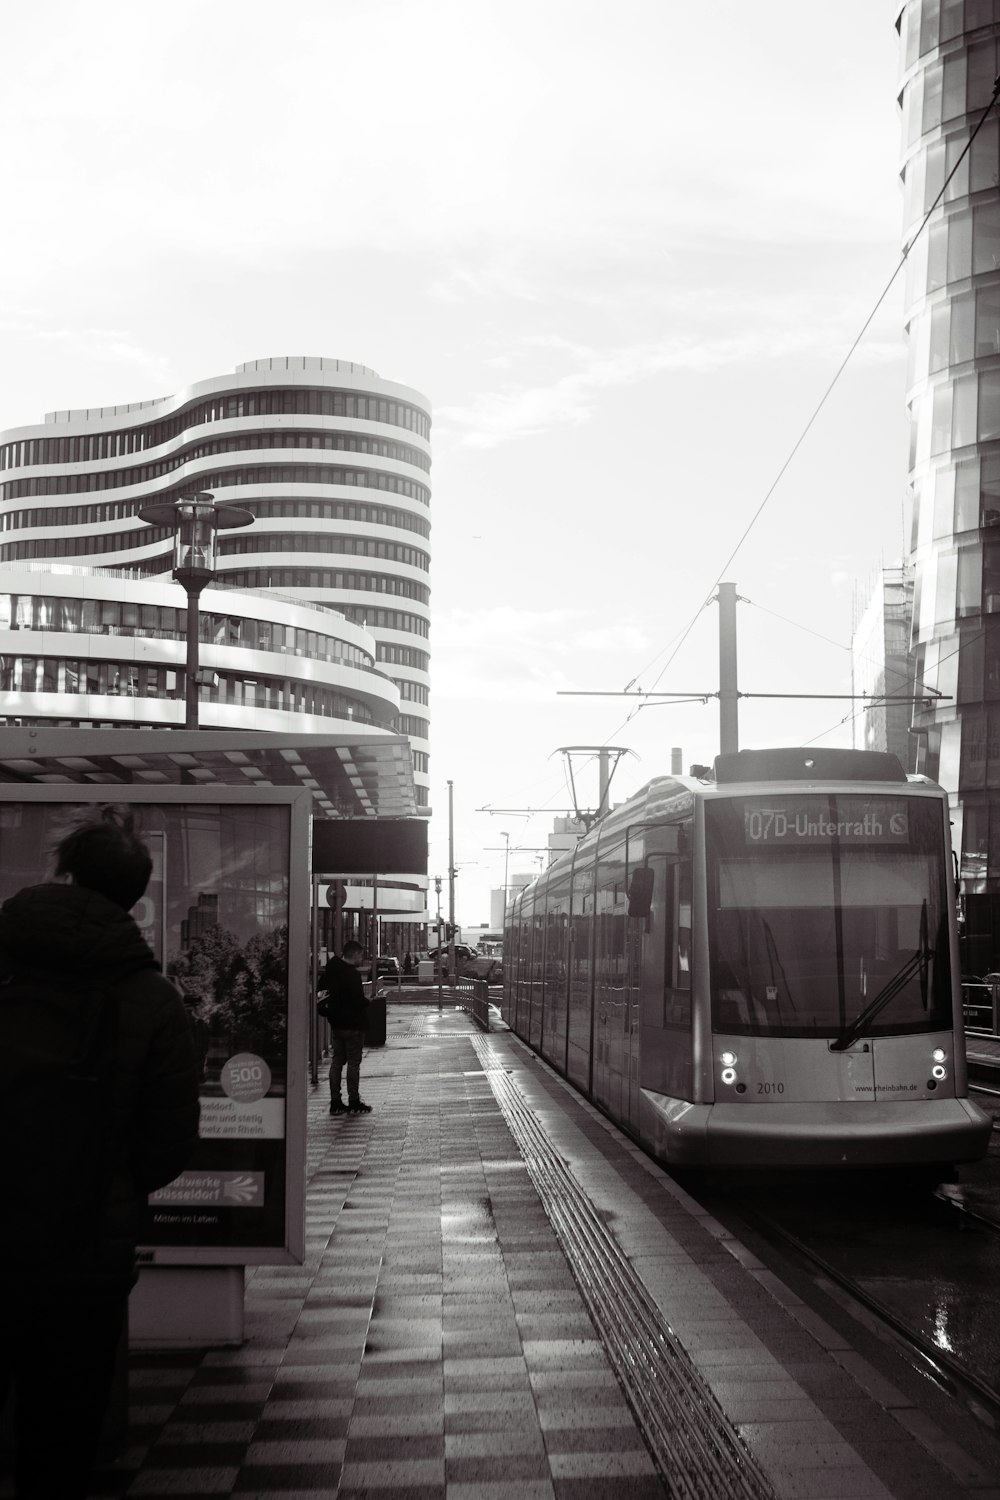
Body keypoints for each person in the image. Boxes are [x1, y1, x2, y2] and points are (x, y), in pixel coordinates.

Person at [0, 805, 201, 1500]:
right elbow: (169, 1142)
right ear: (138, 896)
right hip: (84, 1249)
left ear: (62, 872)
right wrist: (109, 1181)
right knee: (63, 1440)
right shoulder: (151, 997)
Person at [319, 938, 373, 1114]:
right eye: (361, 955)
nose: (362, 959)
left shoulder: (331, 971)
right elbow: (357, 1000)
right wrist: (367, 1002)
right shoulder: (352, 974)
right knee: (353, 1063)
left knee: (336, 1063)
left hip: (336, 1025)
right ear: (355, 954)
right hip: (353, 1026)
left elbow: (323, 994)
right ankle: (354, 1100)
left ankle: (335, 1101)